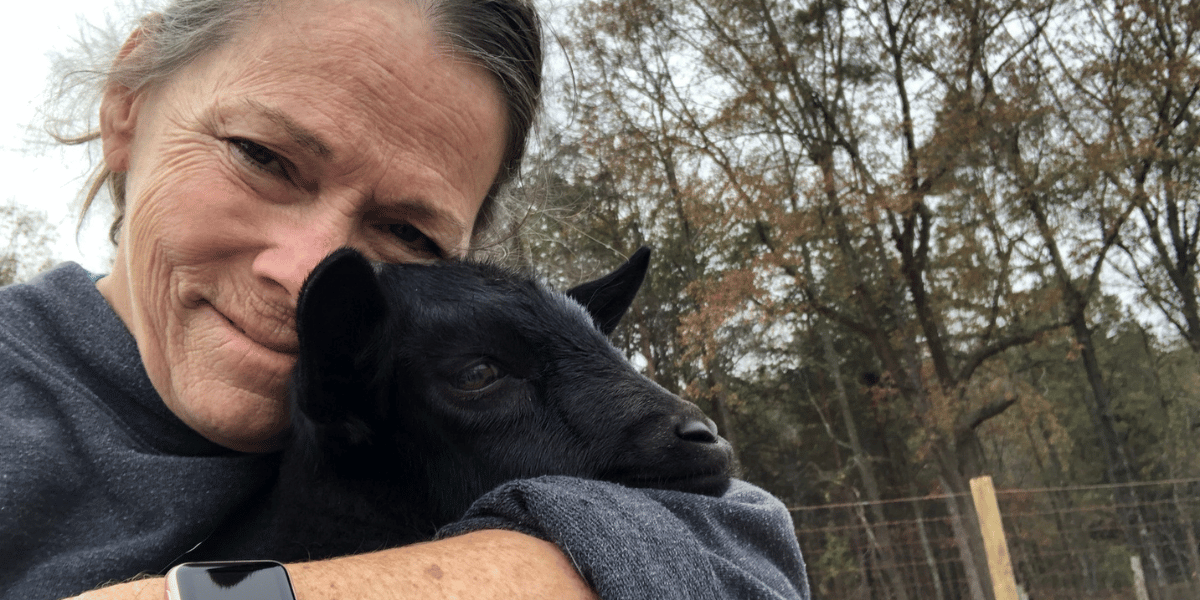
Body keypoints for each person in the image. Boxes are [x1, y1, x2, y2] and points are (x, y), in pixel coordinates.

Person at [0, 0, 811, 599]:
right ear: (126, 109)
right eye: (262, 156)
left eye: (409, 234)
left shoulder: (416, 407)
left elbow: (744, 546)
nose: (306, 269)